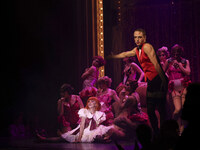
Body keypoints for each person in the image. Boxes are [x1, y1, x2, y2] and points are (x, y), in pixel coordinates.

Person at [108, 28, 168, 135]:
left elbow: (150, 67)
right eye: (135, 37)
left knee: (157, 107)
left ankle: (160, 133)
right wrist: (114, 56)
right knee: (150, 109)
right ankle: (155, 133)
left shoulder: (146, 49)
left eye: (139, 37)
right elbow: (125, 53)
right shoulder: (136, 51)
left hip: (155, 80)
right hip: (142, 83)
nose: (137, 39)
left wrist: (161, 79)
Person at [37, 97, 113, 143]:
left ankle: (104, 140)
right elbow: (82, 125)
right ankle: (44, 139)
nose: (90, 102)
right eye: (89, 101)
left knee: (99, 135)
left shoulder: (100, 113)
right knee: (64, 138)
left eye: (92, 101)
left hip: (93, 130)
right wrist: (79, 137)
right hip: (82, 130)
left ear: (96, 104)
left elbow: (96, 124)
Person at [163, 44, 191, 133]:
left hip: (183, 86)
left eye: (177, 54)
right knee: (177, 109)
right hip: (174, 87)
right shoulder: (168, 61)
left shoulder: (185, 61)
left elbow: (188, 72)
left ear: (180, 53)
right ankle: (171, 125)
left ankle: (180, 131)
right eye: (174, 54)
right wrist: (168, 78)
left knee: (182, 110)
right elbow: (162, 72)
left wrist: (180, 65)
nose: (175, 56)